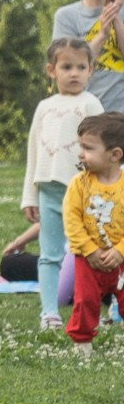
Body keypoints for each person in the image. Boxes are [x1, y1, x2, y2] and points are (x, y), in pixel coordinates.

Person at [22, 37, 103, 330]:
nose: (74, 73)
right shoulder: (44, 107)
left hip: (84, 191)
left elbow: (102, 149)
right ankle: (49, 313)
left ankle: (95, 309)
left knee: (92, 253)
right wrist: (29, 196)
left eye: (81, 67)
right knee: (50, 253)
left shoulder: (91, 103)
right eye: (66, 66)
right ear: (51, 70)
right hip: (49, 190)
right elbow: (33, 151)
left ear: (91, 70)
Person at [63, 112, 124, 352]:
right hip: (88, 260)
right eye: (81, 146)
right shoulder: (79, 184)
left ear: (115, 154)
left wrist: (120, 251)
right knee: (85, 301)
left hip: (120, 260)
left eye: (88, 148)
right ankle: (82, 344)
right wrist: (89, 250)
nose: (80, 153)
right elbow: (72, 220)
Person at [53, 0, 124, 113]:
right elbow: (68, 65)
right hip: (82, 114)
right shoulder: (66, 16)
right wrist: (101, 35)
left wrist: (115, 17)